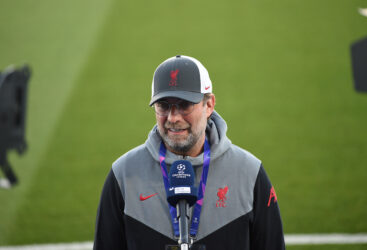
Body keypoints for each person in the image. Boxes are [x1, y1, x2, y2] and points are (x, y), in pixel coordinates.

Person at [93, 55, 285, 250]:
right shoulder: (123, 175)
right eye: (163, 105)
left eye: (184, 105)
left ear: (209, 105)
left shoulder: (250, 173)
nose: (173, 117)